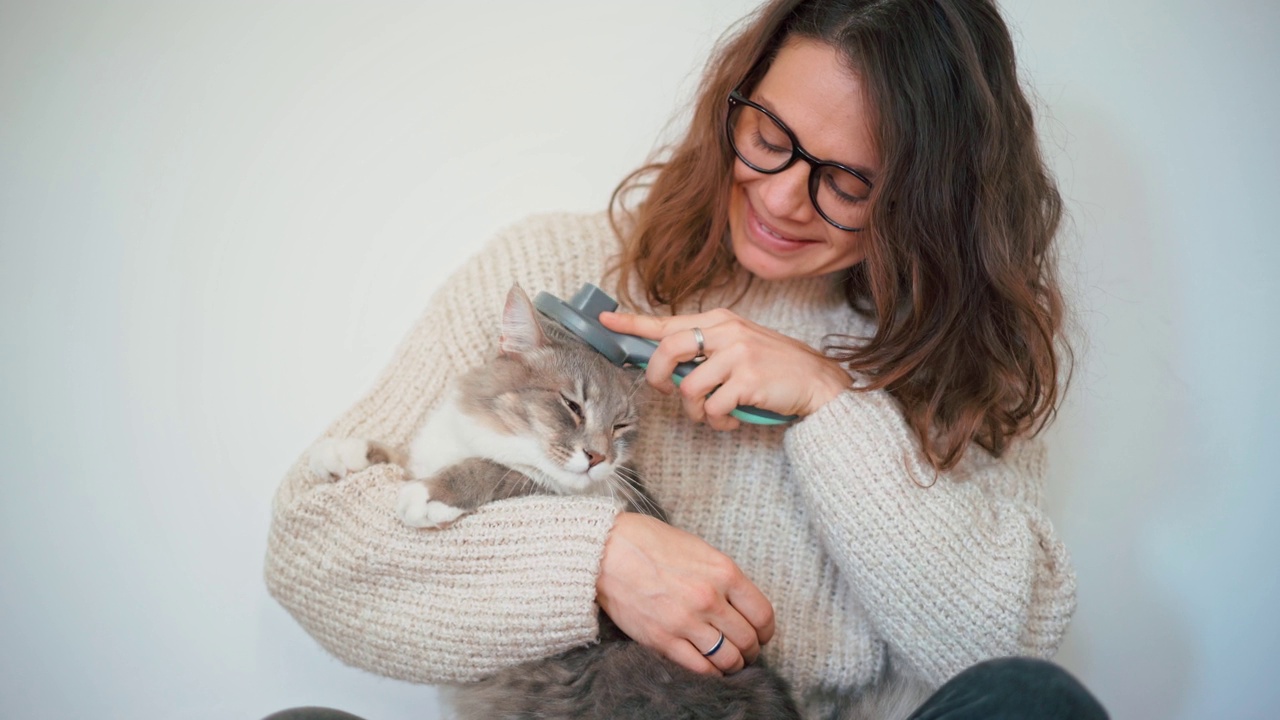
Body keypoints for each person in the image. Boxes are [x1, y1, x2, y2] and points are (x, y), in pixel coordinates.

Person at [264, 0, 1108, 717]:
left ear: (925, 198)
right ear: (730, 105)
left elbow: (1005, 647)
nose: (780, 197)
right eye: (769, 136)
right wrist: (599, 561)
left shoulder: (950, 365)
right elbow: (310, 551)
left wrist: (833, 407)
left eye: (847, 183)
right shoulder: (557, 268)